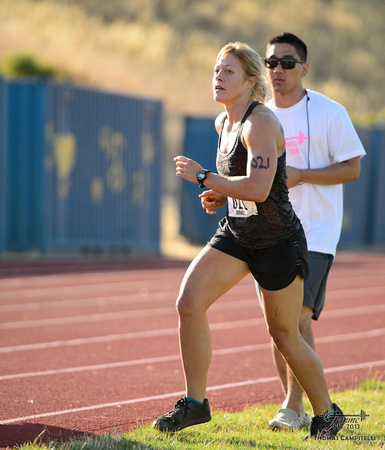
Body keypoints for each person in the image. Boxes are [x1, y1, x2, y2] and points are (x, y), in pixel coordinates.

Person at [152, 41, 345, 440]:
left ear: (250, 82)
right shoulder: (223, 124)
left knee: (286, 336)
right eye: (216, 70)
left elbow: (259, 189)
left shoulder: (261, 123)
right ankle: (195, 403)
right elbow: (243, 188)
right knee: (188, 303)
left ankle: (327, 414)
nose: (218, 78)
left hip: (277, 241)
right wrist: (221, 194)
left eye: (228, 72)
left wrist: (205, 177)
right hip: (238, 235)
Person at [259, 32, 366, 431]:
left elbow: (352, 168)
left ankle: (294, 405)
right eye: (271, 62)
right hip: (267, 234)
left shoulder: (328, 112)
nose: (278, 70)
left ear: (304, 67)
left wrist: (303, 175)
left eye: (287, 63)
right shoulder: (260, 116)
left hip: (316, 234)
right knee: (278, 326)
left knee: (296, 321)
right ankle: (299, 406)